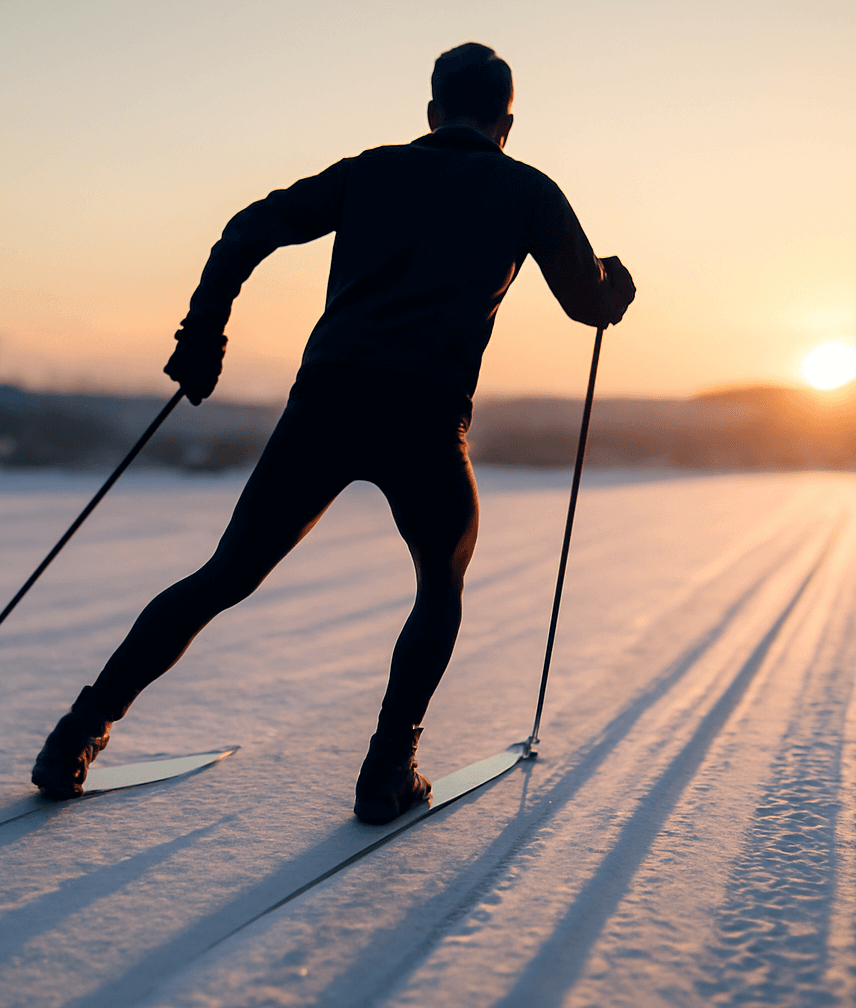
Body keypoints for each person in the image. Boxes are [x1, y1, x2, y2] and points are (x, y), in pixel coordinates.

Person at [32, 42, 635, 822]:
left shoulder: (370, 171)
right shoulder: (528, 192)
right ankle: (388, 769)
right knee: (439, 587)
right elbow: (588, 306)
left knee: (224, 576)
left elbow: (247, 229)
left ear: (431, 113)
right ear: (507, 123)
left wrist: (202, 336)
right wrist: (613, 285)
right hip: (427, 419)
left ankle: (77, 734)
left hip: (327, 405)